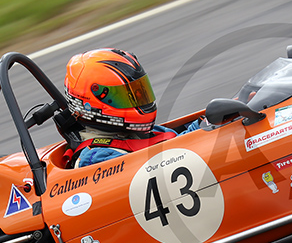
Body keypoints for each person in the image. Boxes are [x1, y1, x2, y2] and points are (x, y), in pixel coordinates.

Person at [63, 48, 200, 168]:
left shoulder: (147, 132)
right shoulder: (94, 158)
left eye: (139, 93)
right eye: (122, 97)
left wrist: (204, 125)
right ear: (90, 104)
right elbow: (147, 171)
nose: (138, 100)